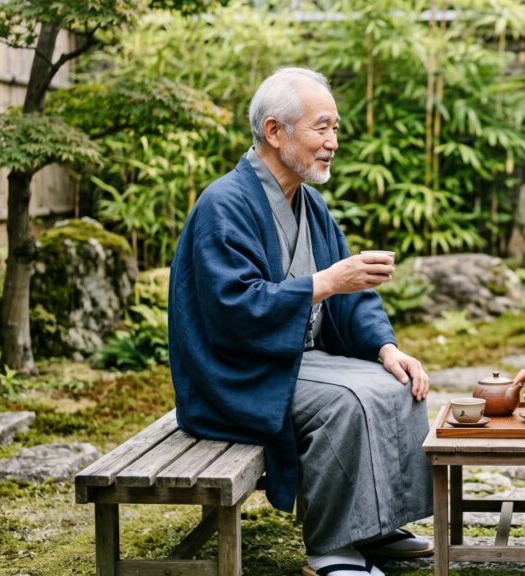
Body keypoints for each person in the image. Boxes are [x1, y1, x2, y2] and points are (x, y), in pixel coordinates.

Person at [168, 68, 433, 576]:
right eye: (322, 128)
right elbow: (233, 312)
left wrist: (386, 348)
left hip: (291, 359)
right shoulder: (224, 204)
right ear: (275, 132)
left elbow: (351, 298)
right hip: (239, 373)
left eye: (335, 129)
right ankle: (330, 549)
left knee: (399, 383)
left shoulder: (308, 202)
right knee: (349, 402)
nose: (333, 142)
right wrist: (326, 281)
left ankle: (374, 527)